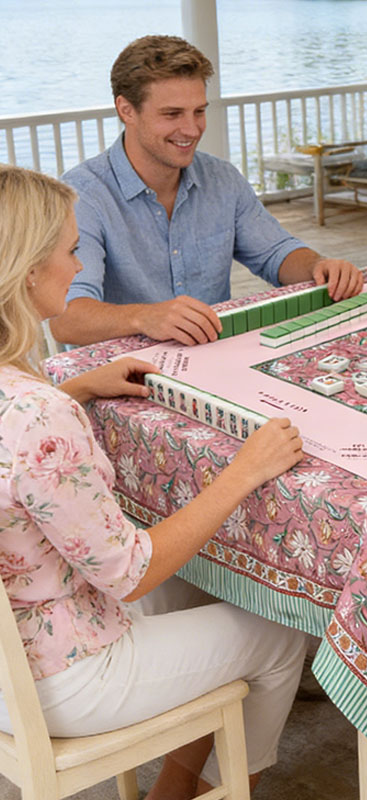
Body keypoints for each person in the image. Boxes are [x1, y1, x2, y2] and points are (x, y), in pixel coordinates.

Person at [0, 164, 310, 799]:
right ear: (29, 271)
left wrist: (75, 387)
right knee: (283, 623)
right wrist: (243, 471)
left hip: (17, 651)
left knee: (205, 592)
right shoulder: (40, 415)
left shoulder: (28, 397)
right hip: (60, 674)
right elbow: (130, 571)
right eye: (70, 249)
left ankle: (176, 785)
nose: (79, 260)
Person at [50, 34, 363, 347]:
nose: (192, 129)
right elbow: (67, 319)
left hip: (210, 361)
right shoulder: (81, 196)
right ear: (126, 110)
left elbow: (276, 253)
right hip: (114, 378)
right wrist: (144, 317)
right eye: (172, 114)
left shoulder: (221, 179)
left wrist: (317, 266)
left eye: (199, 111)